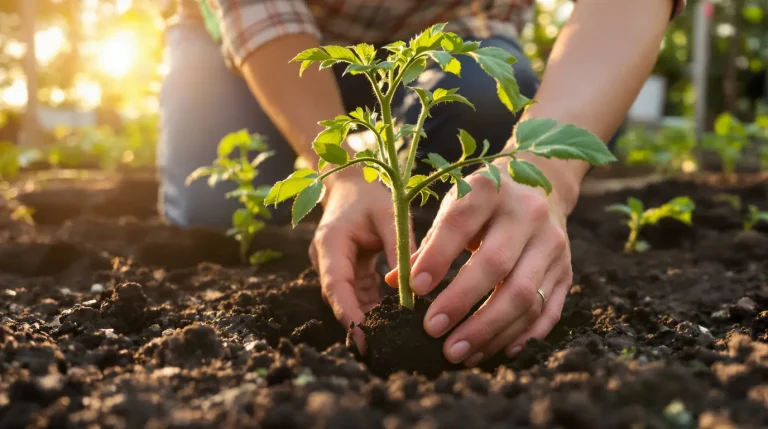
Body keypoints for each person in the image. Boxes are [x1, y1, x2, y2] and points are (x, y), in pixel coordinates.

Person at [158, 0, 686, 367]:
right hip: (246, 39)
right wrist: (340, 168)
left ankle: (443, 247)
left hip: (451, 32)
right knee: (215, 211)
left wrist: (549, 173)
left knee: (486, 109)